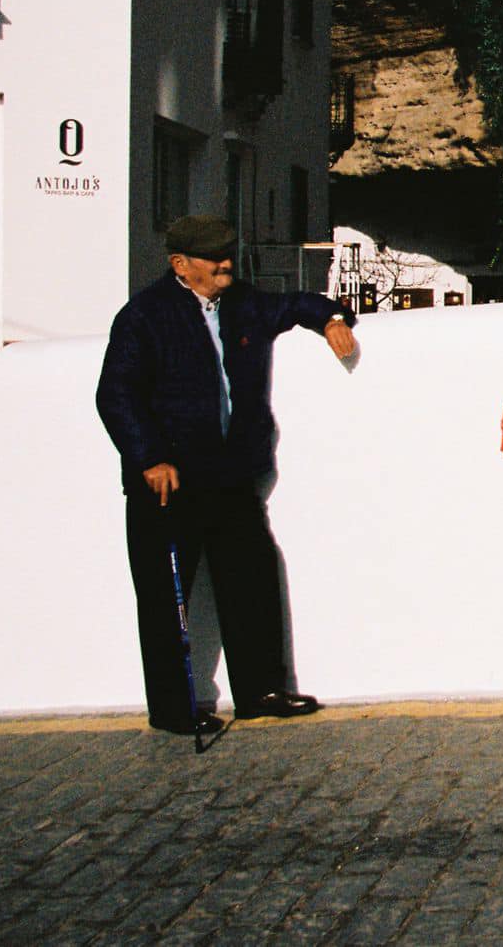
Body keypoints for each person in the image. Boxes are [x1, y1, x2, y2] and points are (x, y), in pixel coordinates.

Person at [95, 215, 358, 737]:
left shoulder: (242, 303)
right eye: (213, 258)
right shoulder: (144, 316)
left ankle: (261, 691)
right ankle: (173, 709)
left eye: (228, 254)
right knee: (166, 598)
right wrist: (149, 458)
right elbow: (116, 394)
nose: (226, 265)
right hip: (168, 481)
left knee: (251, 579)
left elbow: (295, 304)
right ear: (180, 264)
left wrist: (331, 318)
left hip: (230, 475)